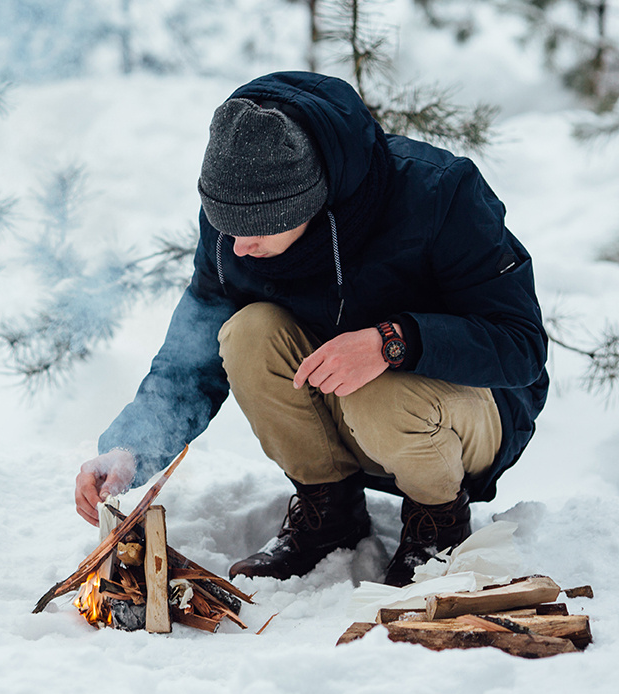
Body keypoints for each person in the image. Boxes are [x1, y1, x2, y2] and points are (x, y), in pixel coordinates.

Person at [74, 71, 548, 587]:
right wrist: (132, 448)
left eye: (253, 229)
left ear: (306, 203)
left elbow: (520, 346)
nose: (236, 246)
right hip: (346, 408)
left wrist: (394, 342)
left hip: (470, 416)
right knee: (244, 333)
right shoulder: (237, 215)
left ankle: (436, 527)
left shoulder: (439, 193)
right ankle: (330, 514)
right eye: (223, 223)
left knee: (380, 393)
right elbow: (192, 353)